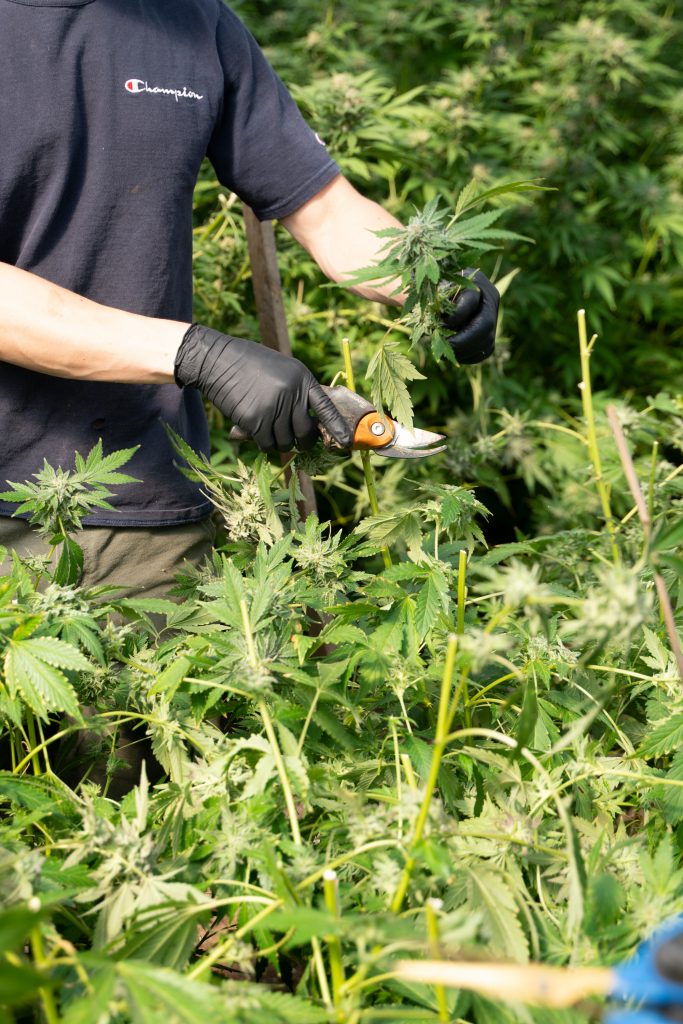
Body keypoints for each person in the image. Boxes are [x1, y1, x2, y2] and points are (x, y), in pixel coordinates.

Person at [0, 0, 499, 597]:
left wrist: (429, 279)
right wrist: (199, 356)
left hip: (147, 516)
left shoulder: (192, 21)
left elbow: (326, 210)